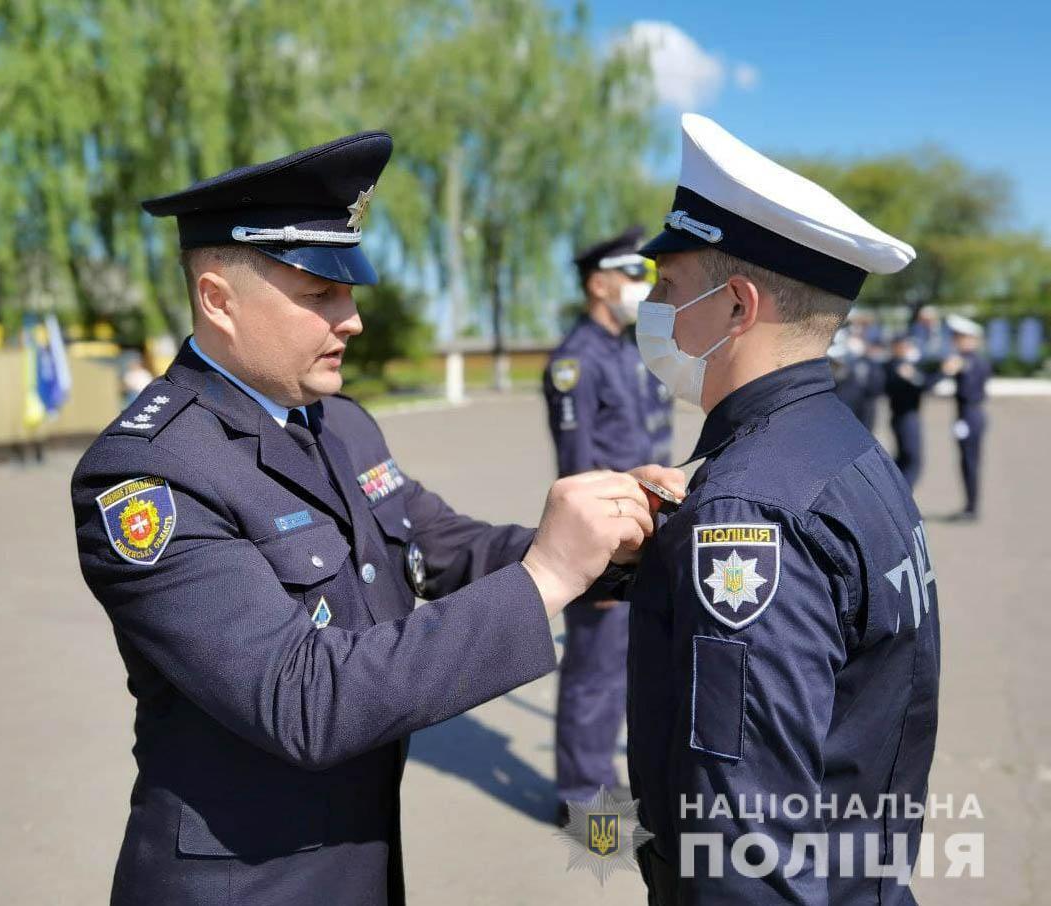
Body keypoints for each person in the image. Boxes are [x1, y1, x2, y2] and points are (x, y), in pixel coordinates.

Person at [69, 131, 679, 906]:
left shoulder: (337, 422)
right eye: (320, 294)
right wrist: (546, 577)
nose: (352, 319)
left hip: (356, 859)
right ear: (218, 298)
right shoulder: (149, 473)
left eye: (349, 291)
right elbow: (301, 699)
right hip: (245, 881)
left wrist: (616, 543)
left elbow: (442, 546)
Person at [625, 114, 940, 903]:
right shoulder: (840, 448)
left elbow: (747, 848)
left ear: (736, 306)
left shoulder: (750, 505)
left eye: (666, 287)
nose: (651, 307)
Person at [543, 226, 674, 825]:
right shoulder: (576, 360)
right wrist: (592, 557)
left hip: (647, 534)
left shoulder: (628, 349)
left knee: (629, 668)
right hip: (605, 541)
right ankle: (585, 804)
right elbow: (577, 468)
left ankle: (609, 786)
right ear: (599, 284)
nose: (641, 288)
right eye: (631, 276)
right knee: (594, 675)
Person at [942, 314, 991, 520]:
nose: (955, 341)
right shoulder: (974, 359)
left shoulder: (970, 361)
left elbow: (969, 390)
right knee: (967, 462)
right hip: (969, 414)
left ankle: (971, 508)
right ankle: (970, 506)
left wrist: (956, 368)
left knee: (970, 462)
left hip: (970, 414)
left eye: (959, 337)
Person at [884, 334, 929, 489]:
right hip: (905, 417)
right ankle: (902, 497)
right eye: (904, 345)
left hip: (906, 417)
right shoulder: (896, 366)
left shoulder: (904, 364)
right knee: (912, 460)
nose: (908, 348)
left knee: (905, 459)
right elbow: (924, 385)